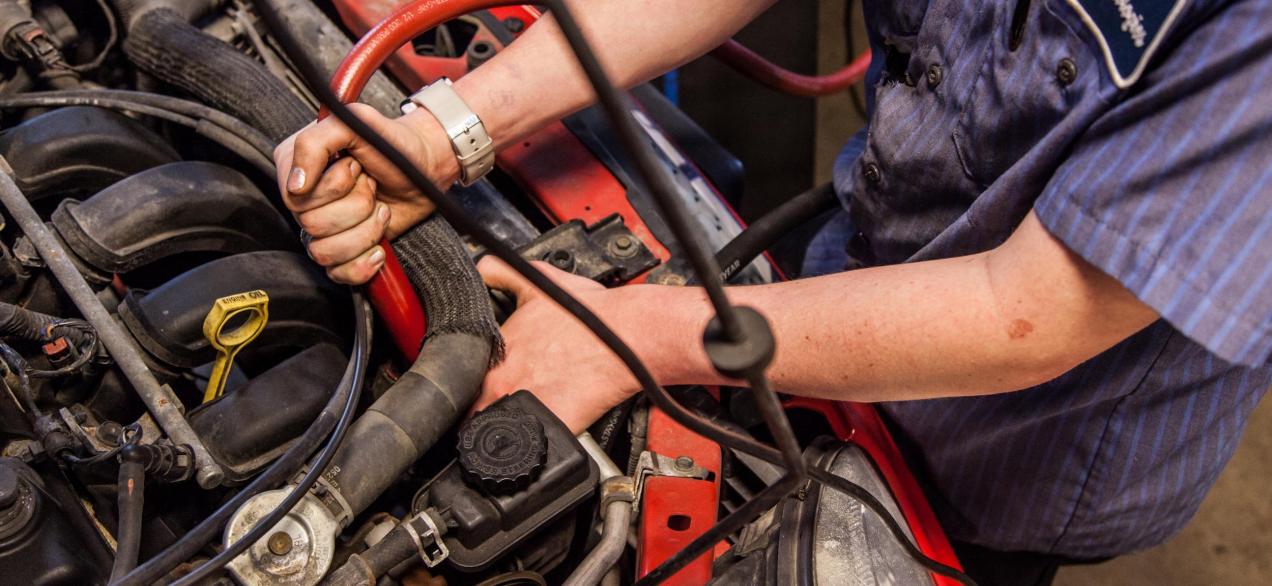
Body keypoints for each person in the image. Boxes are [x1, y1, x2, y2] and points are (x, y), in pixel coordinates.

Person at [273, 0, 1272, 583]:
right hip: (864, 257)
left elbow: (1036, 314)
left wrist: (637, 334)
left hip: (1024, 445)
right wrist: (451, 129)